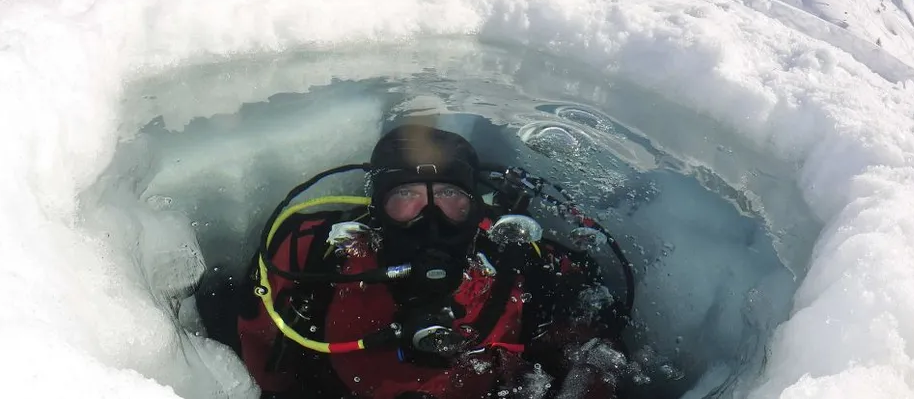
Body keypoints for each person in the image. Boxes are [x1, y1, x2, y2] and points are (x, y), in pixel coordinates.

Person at [217, 124, 635, 399]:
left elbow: (593, 334)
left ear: (476, 208)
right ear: (377, 206)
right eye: (406, 196)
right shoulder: (314, 254)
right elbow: (259, 362)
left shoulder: (518, 260)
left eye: (451, 197)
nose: (429, 216)